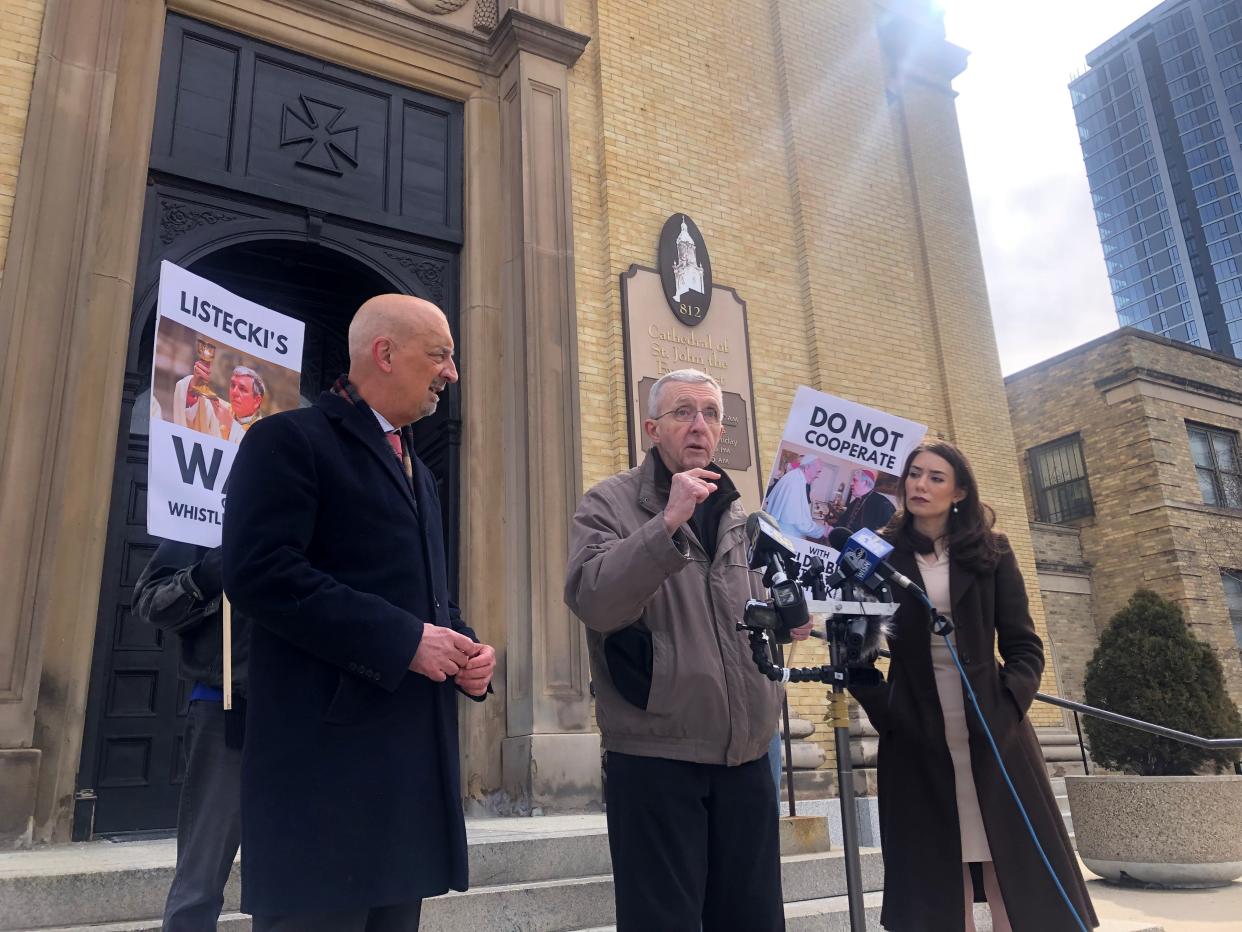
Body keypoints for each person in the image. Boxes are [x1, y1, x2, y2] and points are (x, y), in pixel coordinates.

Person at [222, 294, 495, 931]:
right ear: (385, 353)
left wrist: (464, 648)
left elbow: (427, 596)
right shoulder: (287, 440)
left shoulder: (418, 470)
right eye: (441, 355)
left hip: (402, 782)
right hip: (325, 781)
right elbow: (261, 572)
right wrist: (404, 642)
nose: (452, 372)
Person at [565, 368, 810, 932]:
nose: (699, 425)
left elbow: (743, 616)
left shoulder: (741, 515)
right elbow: (595, 601)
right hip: (657, 754)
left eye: (711, 414)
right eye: (682, 412)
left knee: (752, 919)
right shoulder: (609, 503)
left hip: (747, 754)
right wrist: (668, 522)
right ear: (652, 427)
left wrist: (785, 623)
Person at [848, 440, 1097, 932]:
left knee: (1013, 868)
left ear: (959, 490)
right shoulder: (875, 552)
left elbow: (1025, 646)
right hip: (916, 734)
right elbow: (852, 652)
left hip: (994, 732)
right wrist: (888, 709)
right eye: (914, 474)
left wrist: (1006, 706)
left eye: (935, 477)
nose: (920, 485)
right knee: (937, 872)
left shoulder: (992, 550)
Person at [132, 542, 249, 932]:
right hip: (228, 705)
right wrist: (206, 575)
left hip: (309, 712)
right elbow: (151, 601)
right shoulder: (203, 526)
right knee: (202, 871)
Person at [172, 362, 265, 443]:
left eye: (242, 388)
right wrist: (194, 385)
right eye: (233, 385)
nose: (234, 392)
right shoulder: (220, 408)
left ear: (257, 400)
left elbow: (256, 451)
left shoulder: (263, 430)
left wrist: (231, 424)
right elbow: (197, 406)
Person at [763, 453, 829, 541]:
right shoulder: (796, 483)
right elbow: (801, 524)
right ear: (807, 468)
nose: (818, 475)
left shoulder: (794, 476)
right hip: (785, 537)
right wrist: (823, 530)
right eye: (818, 471)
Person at [839, 467, 896, 533]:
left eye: (855, 480)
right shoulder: (856, 500)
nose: (851, 483)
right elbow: (843, 520)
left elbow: (892, 531)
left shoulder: (882, 503)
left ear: (865, 482)